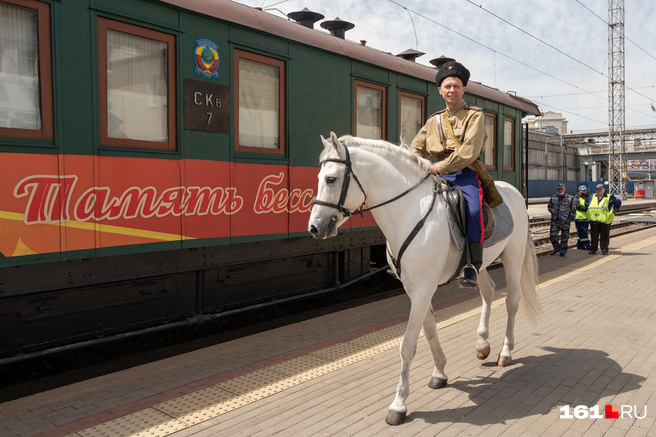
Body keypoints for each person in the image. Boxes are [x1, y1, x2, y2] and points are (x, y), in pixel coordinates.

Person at [411, 61, 502, 288]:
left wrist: (439, 167)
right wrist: (415, 163)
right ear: (440, 90)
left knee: (473, 210)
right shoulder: (433, 121)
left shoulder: (475, 116)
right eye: (447, 86)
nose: (451, 90)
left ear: (463, 89)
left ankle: (472, 265)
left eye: (456, 86)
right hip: (435, 174)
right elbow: (416, 148)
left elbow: (469, 152)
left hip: (464, 173)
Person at [587, 184, 621, 255]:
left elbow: (618, 202)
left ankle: (604, 249)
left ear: (604, 189)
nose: (599, 190)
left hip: (605, 220)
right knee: (594, 235)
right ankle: (593, 249)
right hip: (594, 220)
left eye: (600, 189)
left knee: (604, 236)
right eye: (597, 189)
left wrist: (615, 210)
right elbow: (586, 204)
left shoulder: (609, 197)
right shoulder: (592, 197)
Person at [547, 183, 575, 256]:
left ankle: (563, 251)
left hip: (565, 220)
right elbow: (549, 206)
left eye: (561, 189)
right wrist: (551, 210)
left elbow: (573, 209)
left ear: (564, 189)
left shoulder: (570, 198)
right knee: (552, 236)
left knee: (564, 237)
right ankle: (556, 248)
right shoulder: (553, 197)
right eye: (558, 189)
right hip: (555, 220)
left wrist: (570, 219)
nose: (560, 190)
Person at [573, 184, 591, 250]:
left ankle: (580, 245)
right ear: (580, 191)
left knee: (581, 232)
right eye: (583, 190)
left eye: (585, 190)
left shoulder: (588, 197)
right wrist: (586, 208)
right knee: (584, 232)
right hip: (579, 218)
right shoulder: (576, 197)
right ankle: (586, 244)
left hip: (586, 218)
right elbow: (577, 206)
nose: (584, 191)